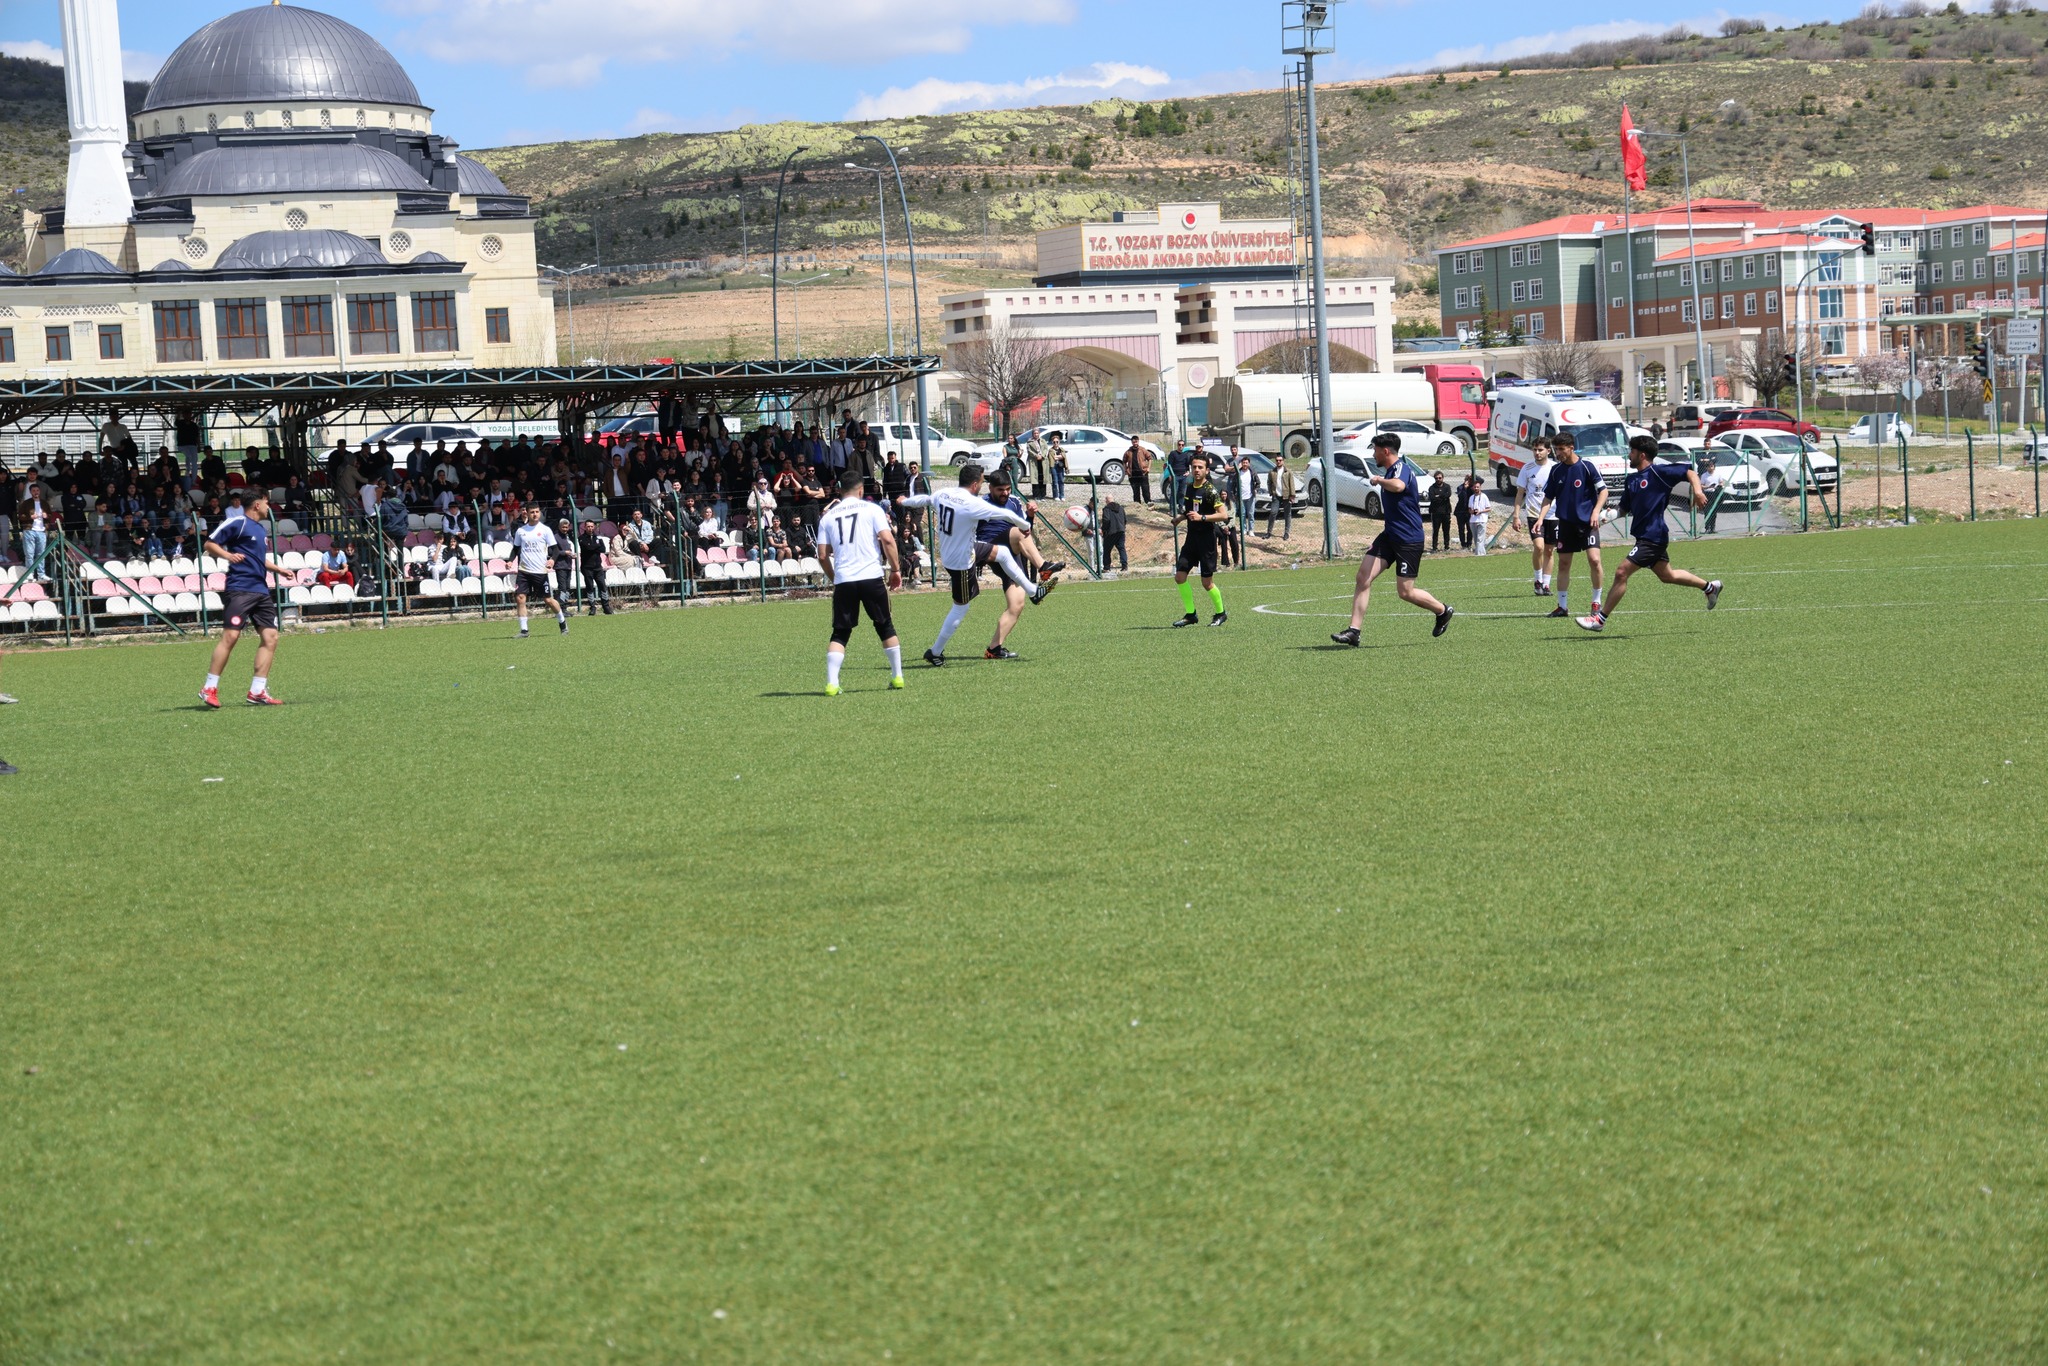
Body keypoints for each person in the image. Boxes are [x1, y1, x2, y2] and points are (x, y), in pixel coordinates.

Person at [895, 462, 1040, 666]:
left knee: (1004, 553)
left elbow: (925, 500)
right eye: (981, 482)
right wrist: (1024, 525)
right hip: (961, 562)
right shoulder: (972, 503)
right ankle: (935, 652)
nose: (981, 486)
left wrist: (905, 501)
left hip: (963, 549)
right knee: (960, 608)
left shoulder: (944, 493)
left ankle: (1032, 590)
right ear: (974, 484)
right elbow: (1005, 514)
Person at [1578, 435, 1723, 631]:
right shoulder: (1631, 480)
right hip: (1645, 536)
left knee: (1621, 572)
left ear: (1642, 454)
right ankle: (1710, 587)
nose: (1629, 455)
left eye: (1632, 451)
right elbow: (1623, 509)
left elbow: (1690, 473)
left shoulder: (1659, 472)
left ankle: (1599, 620)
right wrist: (1605, 517)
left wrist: (1697, 491)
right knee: (1667, 575)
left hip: (1653, 537)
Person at [1329, 433, 1454, 647]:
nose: (1373, 453)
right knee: (1363, 578)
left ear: (1385, 451)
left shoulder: (1401, 469)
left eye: (1375, 449)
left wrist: (1379, 480)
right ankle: (1354, 631)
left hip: (1408, 538)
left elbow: (1398, 486)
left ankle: (1442, 611)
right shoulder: (1391, 470)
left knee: (1405, 592)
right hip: (1390, 535)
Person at [199, 490, 292, 707]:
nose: (269, 507)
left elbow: (258, 559)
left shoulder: (260, 530)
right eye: (267, 503)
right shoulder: (237, 522)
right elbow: (209, 544)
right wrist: (228, 555)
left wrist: (278, 569)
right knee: (231, 637)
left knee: (271, 638)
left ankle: (257, 691)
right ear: (257, 505)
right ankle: (209, 687)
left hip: (260, 590)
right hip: (239, 589)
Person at [816, 471, 905, 694]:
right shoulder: (873, 509)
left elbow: (822, 555)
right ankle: (897, 677)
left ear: (839, 491)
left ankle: (832, 683)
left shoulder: (827, 517)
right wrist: (895, 569)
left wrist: (835, 578)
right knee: (885, 624)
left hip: (845, 579)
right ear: (861, 490)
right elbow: (887, 539)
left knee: (840, 632)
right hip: (871, 576)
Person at [1537, 432, 1607, 620]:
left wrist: (1595, 512)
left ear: (1571, 448)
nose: (1557, 453)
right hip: (1566, 524)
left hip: (1587, 523)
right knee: (1564, 564)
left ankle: (1596, 602)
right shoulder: (1556, 470)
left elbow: (1603, 491)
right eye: (1556, 449)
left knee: (1594, 560)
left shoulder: (1586, 466)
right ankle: (1562, 606)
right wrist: (1540, 518)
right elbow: (1548, 498)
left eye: (1561, 449)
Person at [1170, 452, 1229, 627]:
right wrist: (1181, 518)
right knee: (1180, 576)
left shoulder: (1210, 490)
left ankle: (1221, 613)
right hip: (1191, 539)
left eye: (1200, 467)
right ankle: (1191, 614)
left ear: (1206, 470)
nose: (1196, 470)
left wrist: (1202, 518)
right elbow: (1190, 511)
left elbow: (1223, 515)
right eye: (1194, 467)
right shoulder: (1189, 487)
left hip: (1206, 539)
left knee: (1206, 582)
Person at [510, 505, 568, 636]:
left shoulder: (545, 530)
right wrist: (510, 560)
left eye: (537, 512)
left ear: (540, 513)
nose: (535, 514)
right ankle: (524, 630)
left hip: (540, 571)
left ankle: (562, 621)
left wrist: (552, 560)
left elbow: (556, 550)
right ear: (527, 513)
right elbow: (515, 549)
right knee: (520, 598)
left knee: (548, 600)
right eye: (532, 512)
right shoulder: (521, 531)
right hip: (524, 570)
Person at [1513, 438, 1559, 597]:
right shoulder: (1527, 469)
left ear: (1548, 451)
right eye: (1535, 450)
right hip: (1533, 514)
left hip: (1553, 515)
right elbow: (1520, 494)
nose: (1537, 453)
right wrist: (1516, 516)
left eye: (1540, 450)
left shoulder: (1556, 468)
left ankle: (1546, 584)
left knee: (1549, 550)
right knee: (1539, 547)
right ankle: (1538, 580)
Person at [578, 517, 613, 614]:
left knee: (602, 586)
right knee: (589, 587)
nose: (590, 528)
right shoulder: (581, 538)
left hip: (598, 567)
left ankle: (606, 607)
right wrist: (595, 547)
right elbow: (587, 548)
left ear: (594, 527)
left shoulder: (598, 538)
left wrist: (593, 546)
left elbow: (603, 549)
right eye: (588, 526)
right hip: (587, 567)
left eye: (591, 526)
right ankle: (592, 607)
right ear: (585, 527)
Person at [1265, 456, 1295, 539]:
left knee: (1287, 514)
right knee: (1273, 513)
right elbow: (1269, 482)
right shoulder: (1272, 472)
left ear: (1283, 461)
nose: (1278, 462)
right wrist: (1271, 492)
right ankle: (1269, 532)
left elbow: (1291, 484)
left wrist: (1292, 495)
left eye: (1280, 460)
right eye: (1277, 460)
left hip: (1286, 496)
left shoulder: (1288, 472)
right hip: (1276, 495)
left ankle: (1286, 533)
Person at [1099, 495, 1128, 571]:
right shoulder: (1121, 508)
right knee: (1121, 548)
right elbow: (1125, 519)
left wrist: (1103, 529)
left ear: (1106, 501)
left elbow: (1106, 520)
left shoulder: (1106, 509)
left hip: (1111, 532)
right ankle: (1124, 566)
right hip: (1121, 531)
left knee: (1107, 550)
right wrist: (1122, 527)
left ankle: (1106, 567)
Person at [1698, 453, 1725, 534]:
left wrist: (1719, 485)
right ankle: (1707, 528)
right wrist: (1707, 487)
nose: (1710, 468)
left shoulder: (1718, 474)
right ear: (1706, 467)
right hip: (1707, 494)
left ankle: (1713, 528)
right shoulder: (1704, 475)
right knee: (1707, 511)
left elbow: (1721, 482)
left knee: (1714, 512)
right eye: (1708, 466)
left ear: (1714, 467)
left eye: (1711, 466)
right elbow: (1701, 485)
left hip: (1715, 494)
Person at [1427, 471, 1453, 551]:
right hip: (1435, 512)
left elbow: (1448, 495)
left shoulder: (1447, 486)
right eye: (1436, 478)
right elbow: (1432, 498)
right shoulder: (1432, 488)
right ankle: (1434, 547)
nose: (1438, 479)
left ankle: (1447, 546)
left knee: (1446, 530)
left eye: (1440, 478)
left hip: (1446, 512)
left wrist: (1438, 496)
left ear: (1442, 478)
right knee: (1435, 531)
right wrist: (1441, 497)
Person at [1126, 437, 1152, 506]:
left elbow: (1150, 458)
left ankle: (1148, 502)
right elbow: (1124, 461)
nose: (1135, 443)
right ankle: (1137, 504)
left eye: (1136, 442)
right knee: (1135, 490)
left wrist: (1148, 468)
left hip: (1143, 473)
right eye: (1134, 442)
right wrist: (1126, 469)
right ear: (1132, 442)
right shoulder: (1128, 451)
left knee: (1145, 489)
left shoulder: (1142, 450)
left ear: (1138, 441)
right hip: (1133, 474)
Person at [1468, 482, 1491, 556]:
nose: (1476, 488)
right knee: (1476, 540)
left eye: (1477, 487)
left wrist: (1480, 511)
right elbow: (1469, 509)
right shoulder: (1471, 497)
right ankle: (1481, 553)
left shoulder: (1484, 496)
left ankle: (1479, 555)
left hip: (1482, 520)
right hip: (1473, 520)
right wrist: (1471, 511)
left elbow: (1489, 508)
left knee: (1480, 539)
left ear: (1480, 487)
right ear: (1473, 488)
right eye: (1475, 487)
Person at [1454, 475, 1474, 550]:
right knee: (1461, 528)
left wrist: (1472, 475)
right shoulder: (1460, 487)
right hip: (1460, 511)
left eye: (1469, 479)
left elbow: (1481, 480)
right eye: (1466, 479)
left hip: (1469, 511)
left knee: (1470, 528)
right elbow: (1460, 496)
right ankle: (1463, 544)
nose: (1467, 481)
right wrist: (1465, 488)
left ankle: (1469, 544)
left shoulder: (1472, 488)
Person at [1049, 433, 1068, 499]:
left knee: (1061, 481)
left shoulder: (1061, 449)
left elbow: (1063, 456)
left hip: (1060, 466)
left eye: (1057, 441)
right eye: (1054, 442)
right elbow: (1053, 458)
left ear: (1059, 442)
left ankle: (1062, 496)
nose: (1056, 443)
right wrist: (1059, 456)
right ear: (1052, 442)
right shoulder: (1051, 450)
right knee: (1055, 481)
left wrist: (1058, 456)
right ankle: (1056, 495)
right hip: (1054, 466)